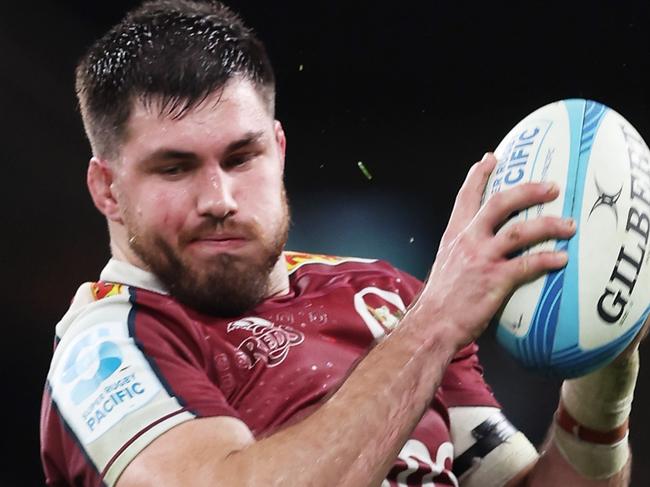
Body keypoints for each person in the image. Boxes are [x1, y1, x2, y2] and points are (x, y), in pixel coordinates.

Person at [39, 1, 646, 486]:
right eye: (175, 168)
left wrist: (603, 365)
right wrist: (434, 324)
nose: (218, 197)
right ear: (108, 188)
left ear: (277, 150)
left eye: (241, 156)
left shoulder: (381, 295)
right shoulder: (107, 348)